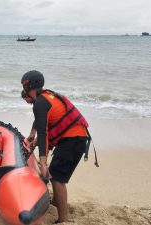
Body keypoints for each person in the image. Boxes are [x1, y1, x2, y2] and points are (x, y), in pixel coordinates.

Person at [21, 70, 94, 223]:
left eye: (24, 85)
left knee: (56, 177)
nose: (23, 89)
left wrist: (42, 163)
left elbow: (43, 133)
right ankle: (56, 202)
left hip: (72, 140)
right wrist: (32, 135)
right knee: (57, 175)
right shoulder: (46, 97)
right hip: (77, 138)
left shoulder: (40, 103)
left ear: (29, 85)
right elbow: (42, 124)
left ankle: (63, 219)